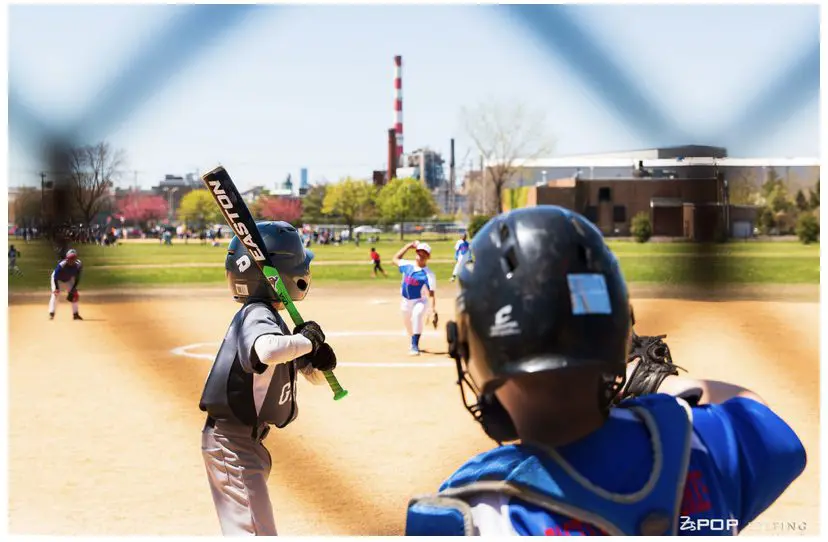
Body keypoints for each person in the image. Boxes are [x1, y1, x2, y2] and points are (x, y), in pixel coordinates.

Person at [406, 206, 806, 536]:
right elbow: (759, 416)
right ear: (617, 332)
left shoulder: (474, 512)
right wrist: (659, 383)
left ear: (474, 352)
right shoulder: (695, 444)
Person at [198, 221, 337, 536]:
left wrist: (313, 363)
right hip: (233, 442)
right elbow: (268, 351)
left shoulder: (269, 316)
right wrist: (309, 341)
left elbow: (288, 370)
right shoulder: (257, 314)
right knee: (254, 533)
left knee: (252, 529)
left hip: (244, 443)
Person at [392, 240, 437, 356]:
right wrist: (407, 246)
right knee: (408, 324)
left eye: (424, 253)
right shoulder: (407, 265)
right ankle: (413, 339)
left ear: (428, 257)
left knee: (417, 315)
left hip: (420, 301)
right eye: (419, 252)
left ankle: (415, 345)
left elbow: (431, 294)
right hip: (405, 301)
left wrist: (432, 310)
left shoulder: (428, 274)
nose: (421, 255)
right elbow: (395, 259)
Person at [49, 248, 83, 320]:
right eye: (70, 258)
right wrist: (57, 288)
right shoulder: (62, 265)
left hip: (68, 279)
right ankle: (51, 312)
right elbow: (55, 277)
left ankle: (75, 314)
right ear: (67, 258)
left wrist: (73, 289)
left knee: (74, 294)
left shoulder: (78, 265)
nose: (71, 260)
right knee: (55, 294)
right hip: (57, 279)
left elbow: (77, 278)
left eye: (73, 258)